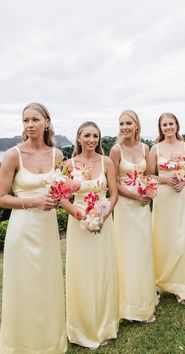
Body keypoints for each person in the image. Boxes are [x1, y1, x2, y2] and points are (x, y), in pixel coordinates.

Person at [0, 103, 67, 353]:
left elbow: (61, 192)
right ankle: (20, 344)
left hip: (48, 229)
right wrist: (34, 201)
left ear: (46, 122)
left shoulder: (57, 155)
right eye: (26, 120)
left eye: (35, 119)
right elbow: (1, 197)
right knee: (23, 286)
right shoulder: (12, 155)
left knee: (47, 284)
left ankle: (49, 342)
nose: (30, 125)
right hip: (22, 229)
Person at [61, 121, 119, 350]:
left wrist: (103, 216)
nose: (92, 140)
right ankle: (82, 327)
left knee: (103, 271)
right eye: (87, 135)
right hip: (79, 223)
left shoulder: (106, 162)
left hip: (103, 221)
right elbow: (61, 197)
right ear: (78, 138)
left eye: (95, 136)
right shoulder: (68, 165)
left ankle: (105, 324)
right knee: (82, 273)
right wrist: (80, 216)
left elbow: (113, 194)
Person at [110, 109, 157, 322]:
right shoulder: (116, 151)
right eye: (121, 124)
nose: (125, 127)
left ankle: (145, 300)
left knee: (143, 249)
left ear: (136, 125)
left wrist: (148, 191)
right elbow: (114, 185)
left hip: (142, 206)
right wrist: (135, 196)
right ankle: (127, 305)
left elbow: (149, 175)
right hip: (126, 208)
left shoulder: (145, 147)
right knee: (127, 252)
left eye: (129, 123)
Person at [150, 112, 185, 305]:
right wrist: (166, 180)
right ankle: (161, 283)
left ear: (177, 125)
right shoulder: (155, 148)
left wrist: (184, 182)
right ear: (160, 128)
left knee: (182, 238)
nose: (168, 127)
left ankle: (182, 286)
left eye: (171, 123)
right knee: (164, 239)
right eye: (164, 124)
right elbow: (149, 175)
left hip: (181, 195)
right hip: (163, 197)